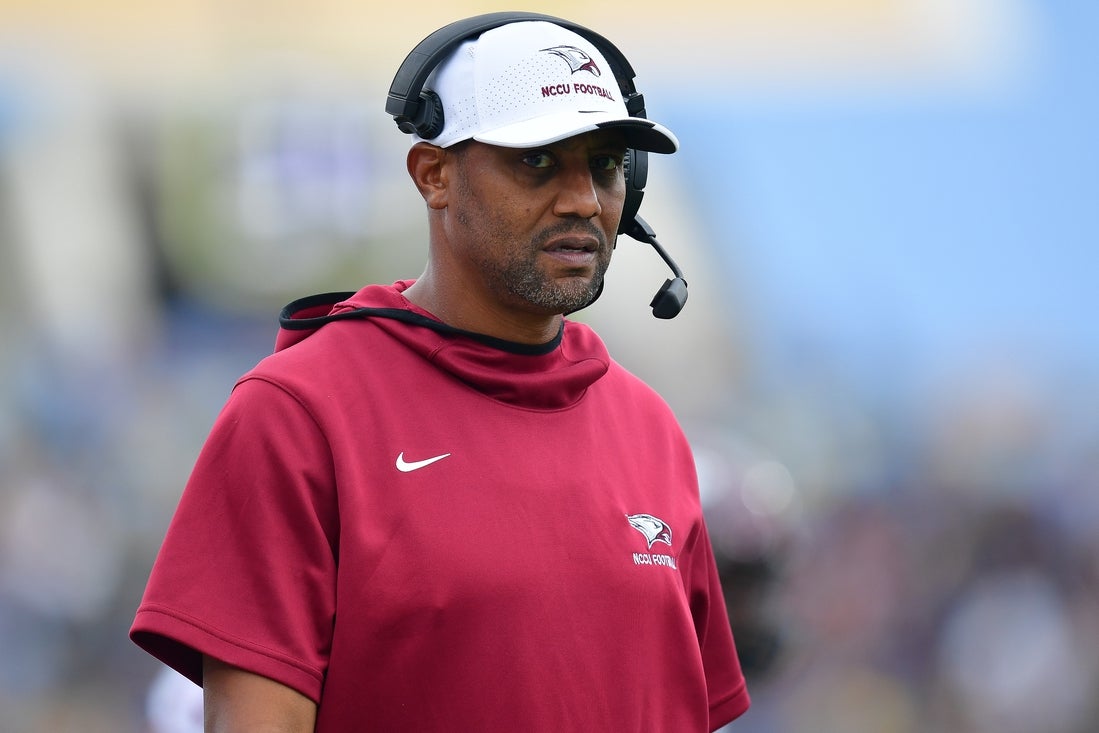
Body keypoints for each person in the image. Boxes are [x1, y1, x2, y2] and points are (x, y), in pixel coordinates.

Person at [131, 13, 751, 732]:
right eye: (538, 161)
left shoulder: (650, 427)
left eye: (607, 164)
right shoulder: (299, 413)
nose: (583, 199)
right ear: (434, 175)